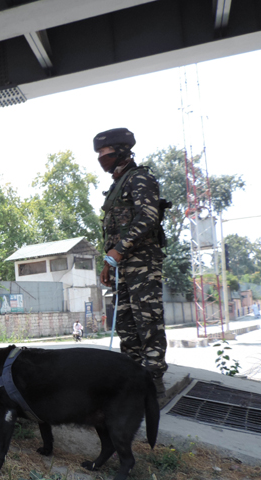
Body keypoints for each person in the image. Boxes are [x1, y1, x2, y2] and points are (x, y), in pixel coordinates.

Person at [95, 127, 168, 401]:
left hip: (142, 263)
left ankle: (153, 380)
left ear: (122, 151)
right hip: (122, 266)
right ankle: (133, 377)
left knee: (147, 318)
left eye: (105, 152)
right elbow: (114, 232)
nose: (102, 157)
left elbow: (148, 217)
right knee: (125, 323)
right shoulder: (118, 184)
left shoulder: (140, 178)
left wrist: (120, 250)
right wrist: (108, 263)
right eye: (100, 153)